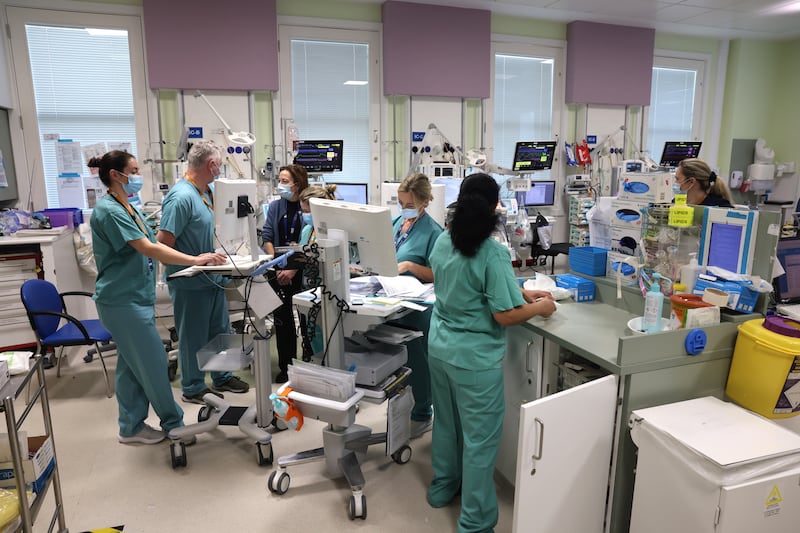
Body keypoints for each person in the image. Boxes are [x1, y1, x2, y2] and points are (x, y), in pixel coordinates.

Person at [426, 173, 556, 532]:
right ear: (495, 205)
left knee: (447, 425)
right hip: (474, 360)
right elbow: (503, 315)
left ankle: (442, 488)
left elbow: (459, 283)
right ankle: (476, 522)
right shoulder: (492, 252)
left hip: (439, 348)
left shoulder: (442, 241)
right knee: (480, 442)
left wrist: (520, 292)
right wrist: (539, 308)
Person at [89, 150, 227, 445]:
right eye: (134, 171)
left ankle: (130, 426)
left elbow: (151, 237)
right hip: (121, 301)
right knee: (153, 365)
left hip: (133, 298)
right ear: (116, 175)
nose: (138, 177)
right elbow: (150, 248)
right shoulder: (109, 210)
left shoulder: (127, 206)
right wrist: (195, 259)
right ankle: (174, 424)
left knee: (129, 368)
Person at [157, 140, 250, 404]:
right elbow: (162, 245)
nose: (220, 169)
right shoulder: (181, 197)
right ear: (211, 165)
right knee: (193, 337)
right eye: (220, 165)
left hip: (212, 279)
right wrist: (194, 259)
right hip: (190, 282)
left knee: (219, 331)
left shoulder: (206, 193)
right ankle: (193, 386)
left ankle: (222, 376)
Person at [388, 173, 443, 438]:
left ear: (424, 202)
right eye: (400, 202)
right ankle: (399, 407)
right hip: (391, 301)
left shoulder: (434, 232)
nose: (403, 208)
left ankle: (423, 411)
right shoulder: (396, 223)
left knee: (418, 361)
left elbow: (438, 273)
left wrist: (410, 266)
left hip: (418, 307)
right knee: (394, 358)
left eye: (408, 203)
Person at [261, 164, 310, 383]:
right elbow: (267, 237)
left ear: (297, 185)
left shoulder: (308, 207)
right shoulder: (275, 207)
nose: (279, 185)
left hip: (302, 270)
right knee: (282, 320)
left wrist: (292, 269)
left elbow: (310, 243)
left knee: (307, 319)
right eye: (279, 180)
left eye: (284, 181)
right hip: (279, 269)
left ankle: (310, 362)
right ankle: (286, 366)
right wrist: (277, 264)